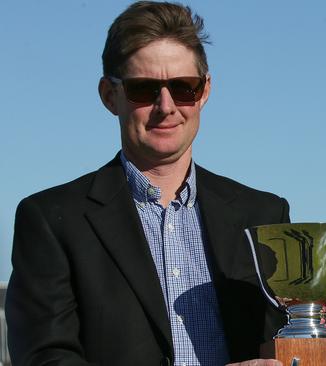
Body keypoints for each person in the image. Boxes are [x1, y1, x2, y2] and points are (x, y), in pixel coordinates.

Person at [6, 2, 288, 365]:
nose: (166, 106)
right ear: (110, 96)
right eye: (144, 89)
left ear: (204, 91)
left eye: (184, 87)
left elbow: (290, 344)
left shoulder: (264, 214)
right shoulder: (50, 220)